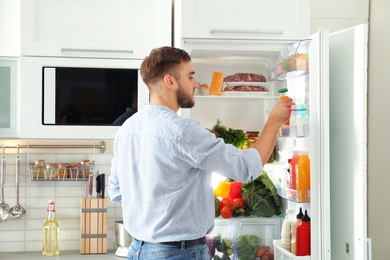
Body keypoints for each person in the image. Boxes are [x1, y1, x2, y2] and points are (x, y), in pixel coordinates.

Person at [108, 46, 294, 260]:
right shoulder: (183, 130)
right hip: (178, 253)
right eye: (190, 76)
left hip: (138, 251)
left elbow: (117, 193)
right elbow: (246, 168)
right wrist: (273, 123)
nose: (196, 83)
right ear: (170, 81)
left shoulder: (127, 130)